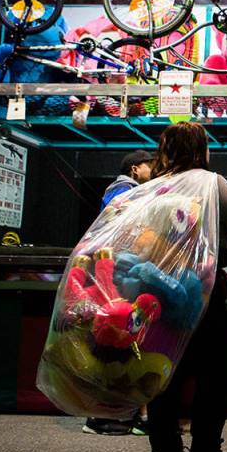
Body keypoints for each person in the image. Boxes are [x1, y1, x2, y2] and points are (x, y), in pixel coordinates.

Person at [145, 122, 227, 452]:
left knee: (164, 373)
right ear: (202, 150)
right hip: (203, 292)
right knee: (216, 373)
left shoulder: (150, 188)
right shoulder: (208, 182)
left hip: (158, 290)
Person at [83, 149, 156, 436]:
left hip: (122, 271)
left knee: (129, 341)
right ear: (136, 169)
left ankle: (135, 414)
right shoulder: (123, 190)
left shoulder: (128, 190)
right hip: (117, 274)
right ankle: (99, 415)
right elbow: (126, 226)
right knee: (115, 341)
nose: (155, 169)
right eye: (150, 166)